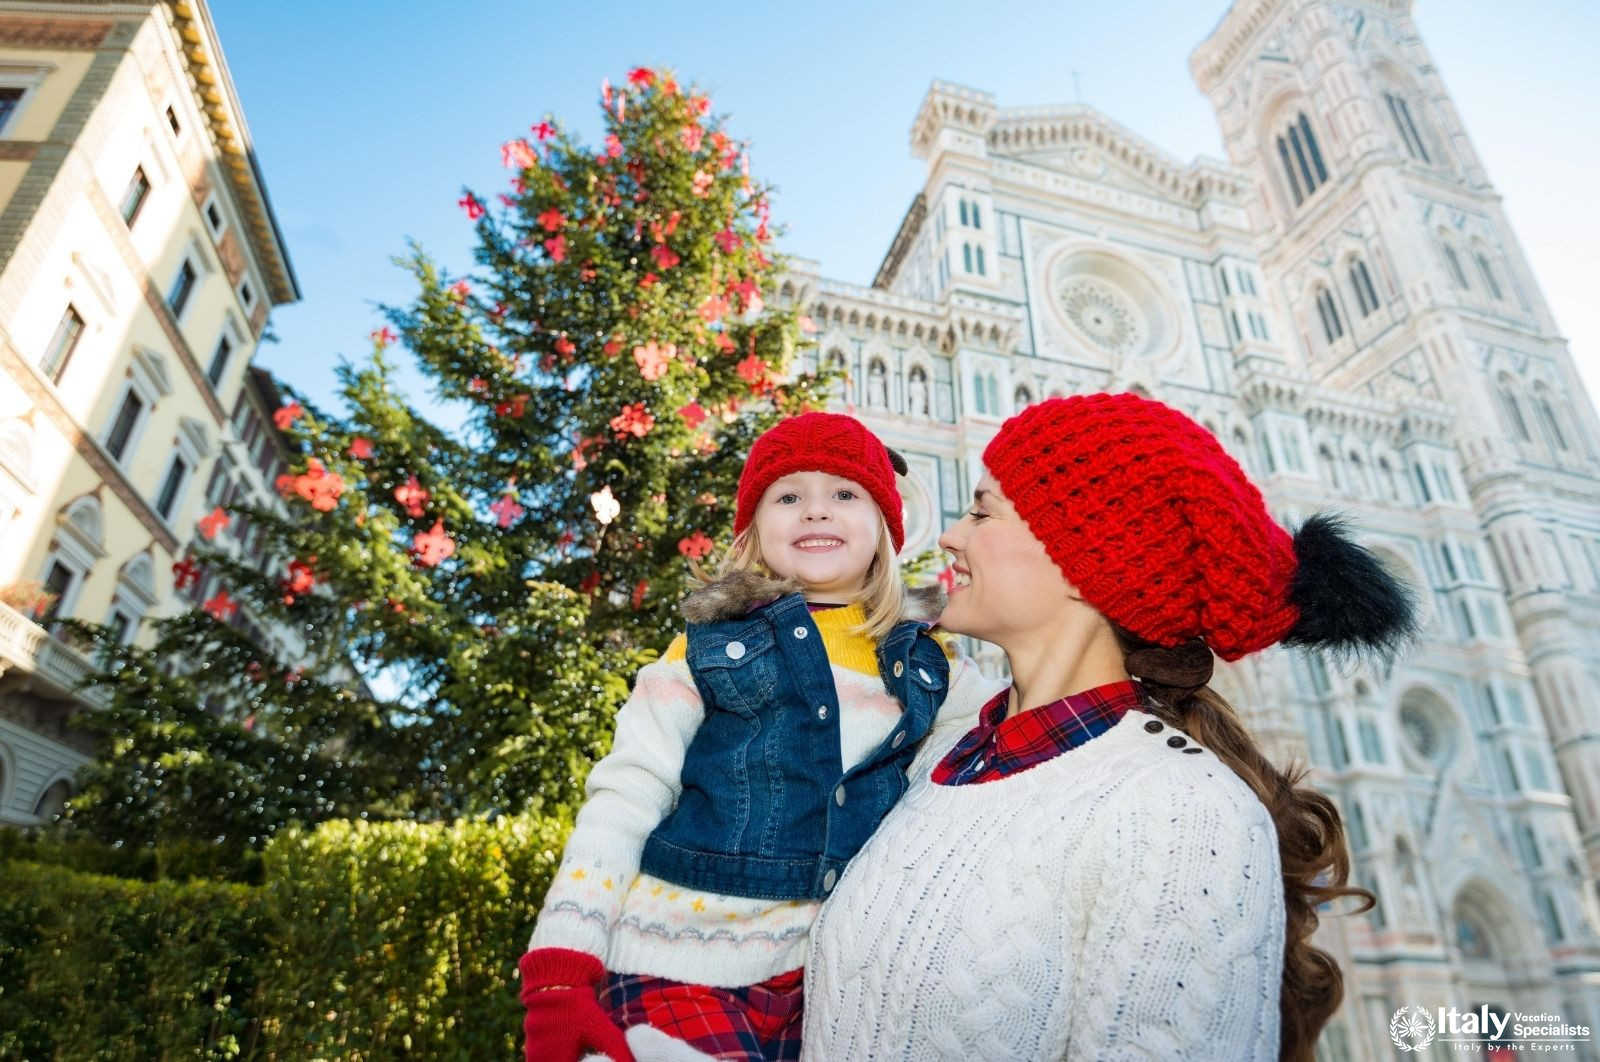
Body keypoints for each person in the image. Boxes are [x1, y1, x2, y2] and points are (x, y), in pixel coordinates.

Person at [802, 392, 1418, 1061]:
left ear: (1085, 559)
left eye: (983, 510)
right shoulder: (943, 752)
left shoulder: (1188, 818)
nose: (951, 535)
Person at [519, 411, 999, 1062]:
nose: (816, 512)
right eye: (789, 495)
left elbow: (1022, 732)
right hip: (681, 968)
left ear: (887, 529)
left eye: (845, 493)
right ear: (753, 533)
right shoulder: (700, 651)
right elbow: (625, 797)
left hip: (831, 995)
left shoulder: (931, 667)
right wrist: (560, 969)